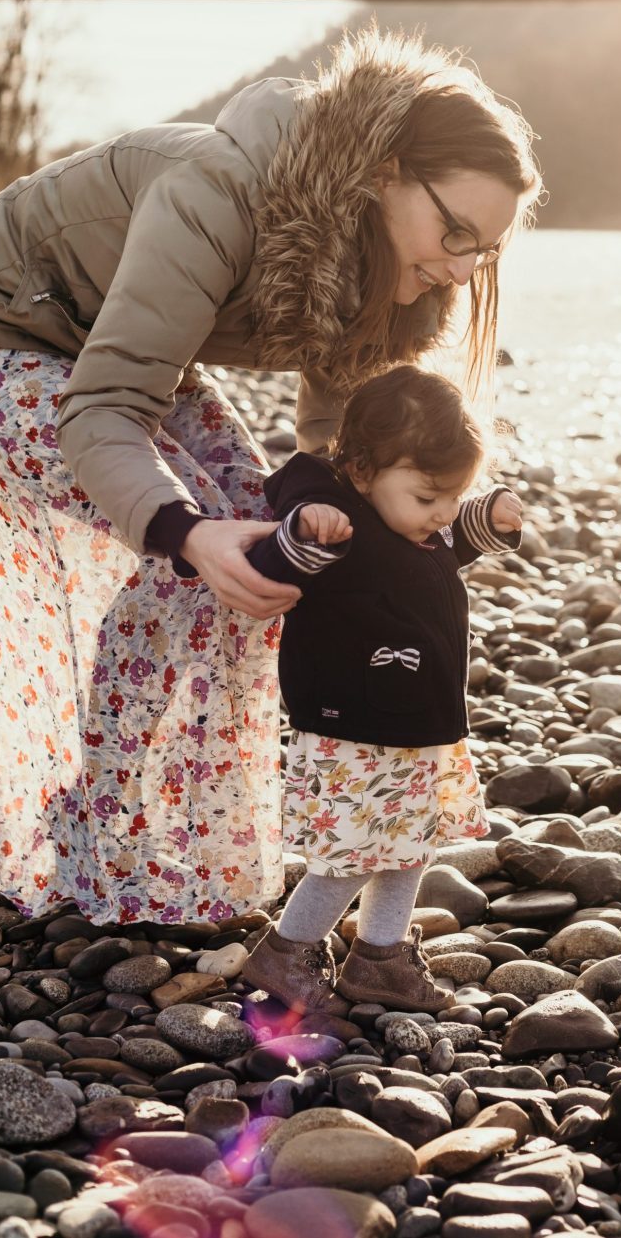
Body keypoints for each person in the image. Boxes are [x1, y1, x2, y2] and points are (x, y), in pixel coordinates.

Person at [0, 25, 541, 925]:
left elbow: (339, 453)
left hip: (114, 352)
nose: (459, 267)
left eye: (483, 250)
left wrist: (440, 523)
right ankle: (101, 823)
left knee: (272, 544)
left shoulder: (406, 268)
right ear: (384, 171)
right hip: (18, 336)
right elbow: (104, 409)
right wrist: (182, 531)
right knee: (198, 546)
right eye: (452, 232)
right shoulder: (217, 195)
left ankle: (125, 800)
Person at [240, 364, 522, 1018]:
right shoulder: (337, 529)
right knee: (351, 854)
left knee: (411, 844)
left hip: (420, 730)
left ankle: (381, 957)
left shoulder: (417, 527)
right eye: (429, 496)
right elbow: (275, 564)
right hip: (356, 732)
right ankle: (287, 950)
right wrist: (304, 525)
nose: (442, 512)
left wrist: (489, 516)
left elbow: (455, 541)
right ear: (362, 471)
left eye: (455, 495)